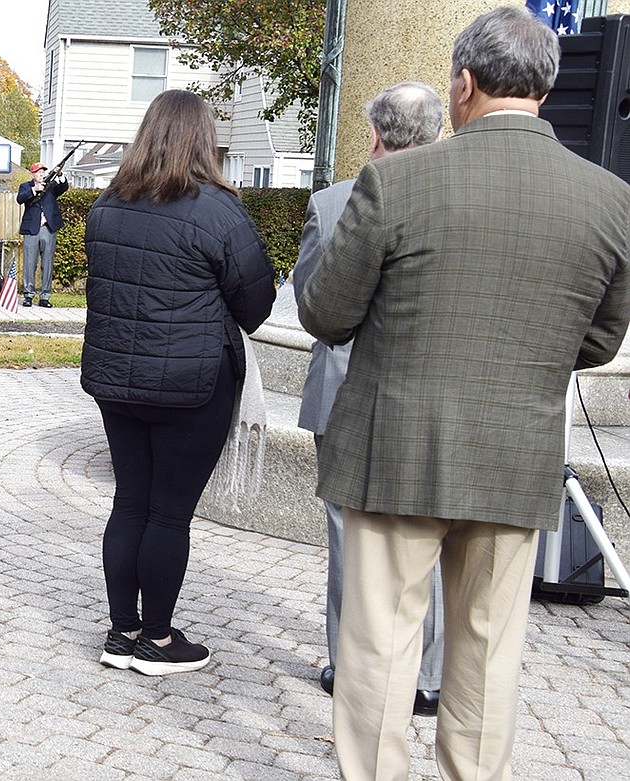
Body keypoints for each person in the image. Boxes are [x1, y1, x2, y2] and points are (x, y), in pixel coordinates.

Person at [298, 7, 630, 779]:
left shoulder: (396, 180)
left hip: (396, 450)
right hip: (515, 453)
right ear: (543, 88)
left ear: (464, 85)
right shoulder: (610, 199)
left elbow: (326, 313)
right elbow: (601, 340)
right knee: (486, 651)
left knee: (379, 644)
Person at [81, 90, 276, 676]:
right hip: (191, 383)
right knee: (168, 513)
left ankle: (123, 631)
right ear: (203, 140)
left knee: (130, 502)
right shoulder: (218, 210)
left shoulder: (107, 206)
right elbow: (257, 303)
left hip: (118, 381)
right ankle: (159, 642)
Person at [292, 82, 445, 716]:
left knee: (347, 538)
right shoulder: (457, 198)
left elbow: (309, 300)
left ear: (374, 136)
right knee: (428, 532)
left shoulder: (332, 203)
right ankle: (427, 675)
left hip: (344, 385)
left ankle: (348, 666)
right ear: (436, 134)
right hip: (430, 393)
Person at [17, 161, 69, 308]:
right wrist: (35, 189)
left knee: (47, 264)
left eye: (43, 172)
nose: (41, 174)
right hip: (31, 229)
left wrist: (60, 175)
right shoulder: (26, 186)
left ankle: (45, 296)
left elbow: (63, 187)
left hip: (48, 228)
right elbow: (20, 198)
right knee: (29, 264)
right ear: (32, 174)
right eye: (38, 172)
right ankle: (28, 295)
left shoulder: (51, 186)